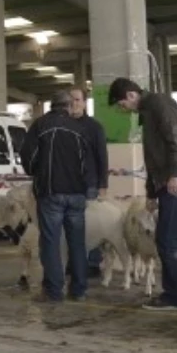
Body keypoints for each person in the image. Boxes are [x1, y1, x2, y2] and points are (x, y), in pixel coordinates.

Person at [108, 77, 177, 310]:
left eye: (122, 104)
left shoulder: (159, 103)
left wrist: (175, 174)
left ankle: (173, 296)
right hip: (172, 176)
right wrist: (151, 192)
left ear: (131, 95)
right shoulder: (148, 110)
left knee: (168, 237)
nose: (124, 110)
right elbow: (153, 155)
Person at [20, 91, 92, 302]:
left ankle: (54, 291)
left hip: (50, 192)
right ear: (69, 107)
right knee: (77, 243)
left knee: (51, 242)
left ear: (52, 105)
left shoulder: (40, 125)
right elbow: (88, 164)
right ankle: (79, 290)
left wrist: (38, 173)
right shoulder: (80, 129)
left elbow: (28, 156)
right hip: (77, 194)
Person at [69, 86, 109, 277]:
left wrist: (103, 185)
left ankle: (93, 263)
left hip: (89, 184)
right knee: (70, 224)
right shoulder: (63, 125)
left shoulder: (94, 127)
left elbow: (102, 157)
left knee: (90, 224)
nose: (73, 103)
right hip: (67, 185)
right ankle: (74, 262)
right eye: (70, 100)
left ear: (84, 103)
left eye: (77, 100)